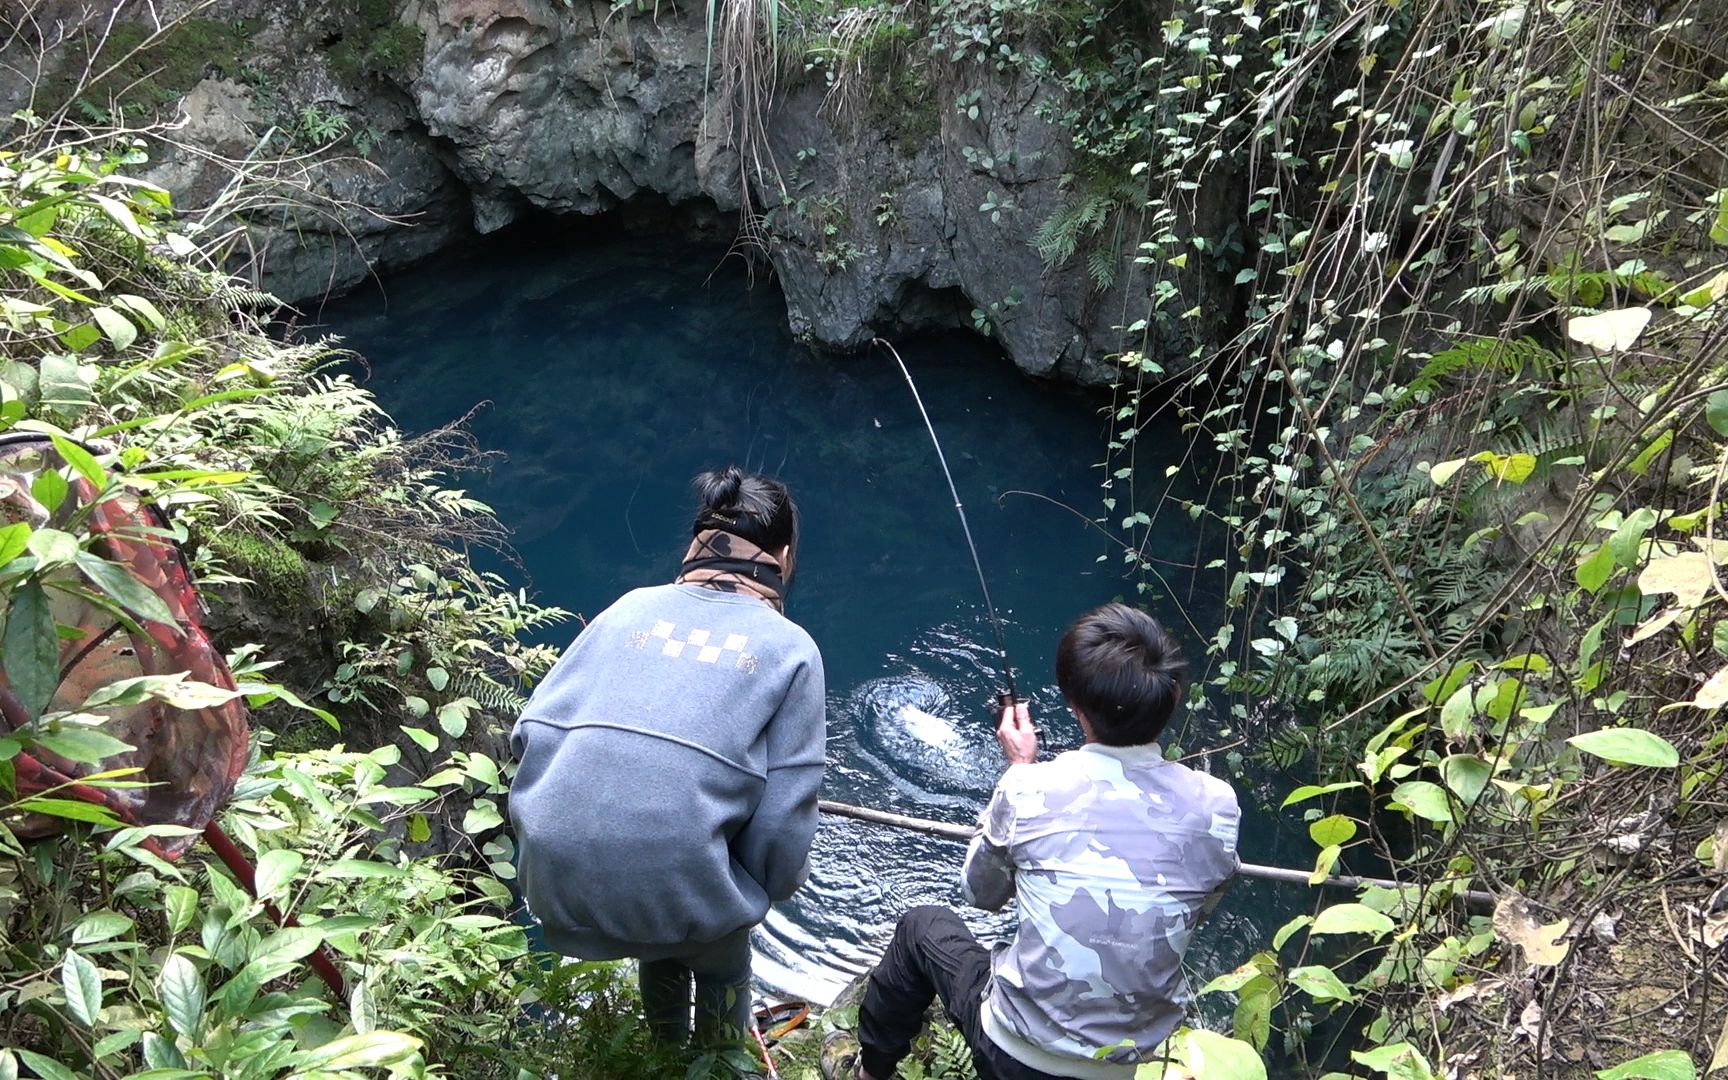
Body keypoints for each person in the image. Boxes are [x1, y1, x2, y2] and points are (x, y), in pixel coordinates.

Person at [827, 603, 1240, 1080]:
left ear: (1075, 706)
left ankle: (869, 1073)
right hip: (1130, 1066)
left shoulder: (1029, 788)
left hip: (1017, 1056)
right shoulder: (1218, 806)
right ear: (1173, 698)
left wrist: (1020, 770)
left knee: (921, 928)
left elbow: (980, 895)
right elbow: (1202, 905)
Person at [509, 467, 826, 1047]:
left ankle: (662, 1049)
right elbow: (783, 828)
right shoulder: (791, 649)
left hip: (551, 879)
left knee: (670, 929)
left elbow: (529, 732)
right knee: (716, 951)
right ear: (781, 554)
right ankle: (720, 1058)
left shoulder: (626, 609)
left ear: (697, 540)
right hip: (680, 897)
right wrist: (761, 885)